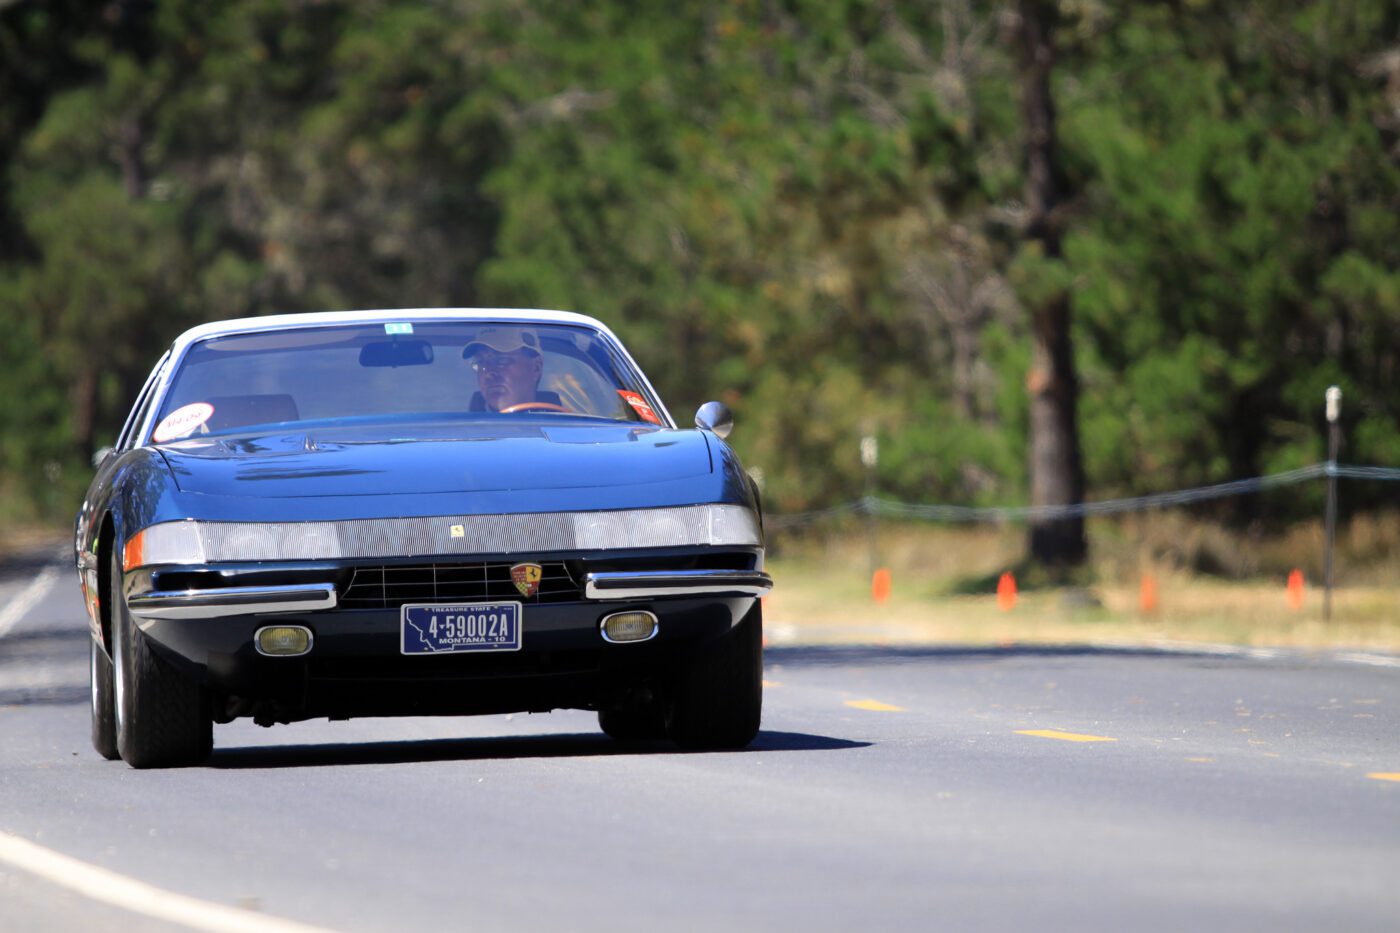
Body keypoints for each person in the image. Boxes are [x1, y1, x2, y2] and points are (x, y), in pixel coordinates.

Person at [463, 326, 563, 412]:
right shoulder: (460, 430)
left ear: (536, 367)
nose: (488, 374)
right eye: (480, 363)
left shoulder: (567, 428)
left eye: (501, 361)